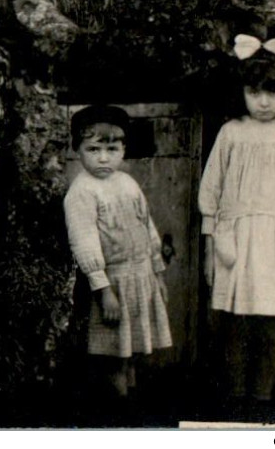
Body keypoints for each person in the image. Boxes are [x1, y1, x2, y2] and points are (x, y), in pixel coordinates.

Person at [198, 36, 275, 411]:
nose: (264, 102)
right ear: (242, 94)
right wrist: (209, 250)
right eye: (255, 93)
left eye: (272, 92)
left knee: (268, 325)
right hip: (235, 239)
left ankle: (263, 399)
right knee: (234, 322)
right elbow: (212, 192)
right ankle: (234, 398)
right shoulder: (232, 132)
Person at [64, 105, 172, 398]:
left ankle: (132, 399)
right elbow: (84, 241)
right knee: (113, 353)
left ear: (123, 149)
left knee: (134, 348)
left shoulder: (127, 183)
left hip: (141, 278)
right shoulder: (82, 191)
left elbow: (147, 228)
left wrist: (158, 274)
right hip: (113, 282)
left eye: (111, 149)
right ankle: (116, 408)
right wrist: (103, 289)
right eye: (93, 149)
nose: (103, 157)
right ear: (78, 150)